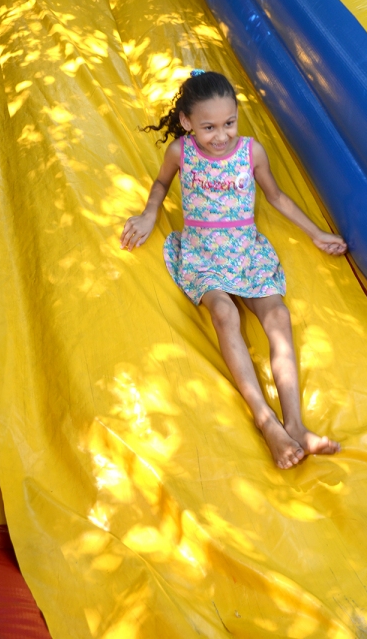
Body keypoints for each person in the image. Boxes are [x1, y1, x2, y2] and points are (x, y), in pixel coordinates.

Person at [121, 70, 347, 470]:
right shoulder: (181, 152)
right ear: (188, 122)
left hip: (245, 252)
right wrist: (148, 214)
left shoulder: (251, 152)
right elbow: (160, 185)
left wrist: (316, 233)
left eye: (229, 123)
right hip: (202, 255)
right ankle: (267, 422)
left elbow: (276, 196)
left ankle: (295, 424)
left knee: (278, 315)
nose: (221, 135)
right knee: (225, 314)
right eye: (209, 127)